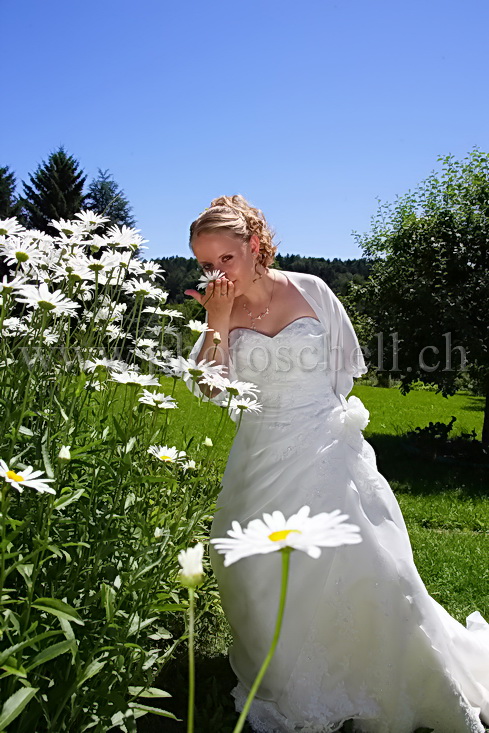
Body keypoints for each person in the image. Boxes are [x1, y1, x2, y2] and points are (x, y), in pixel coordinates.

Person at [183, 194, 489, 733]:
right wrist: (219, 320)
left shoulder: (311, 290)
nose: (216, 273)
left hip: (325, 446)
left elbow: (344, 367)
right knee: (255, 567)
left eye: (224, 260)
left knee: (362, 561)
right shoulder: (218, 310)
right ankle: (288, 675)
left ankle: (383, 671)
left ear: (254, 247)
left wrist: (323, 424)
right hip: (259, 454)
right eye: (206, 264)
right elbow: (208, 391)